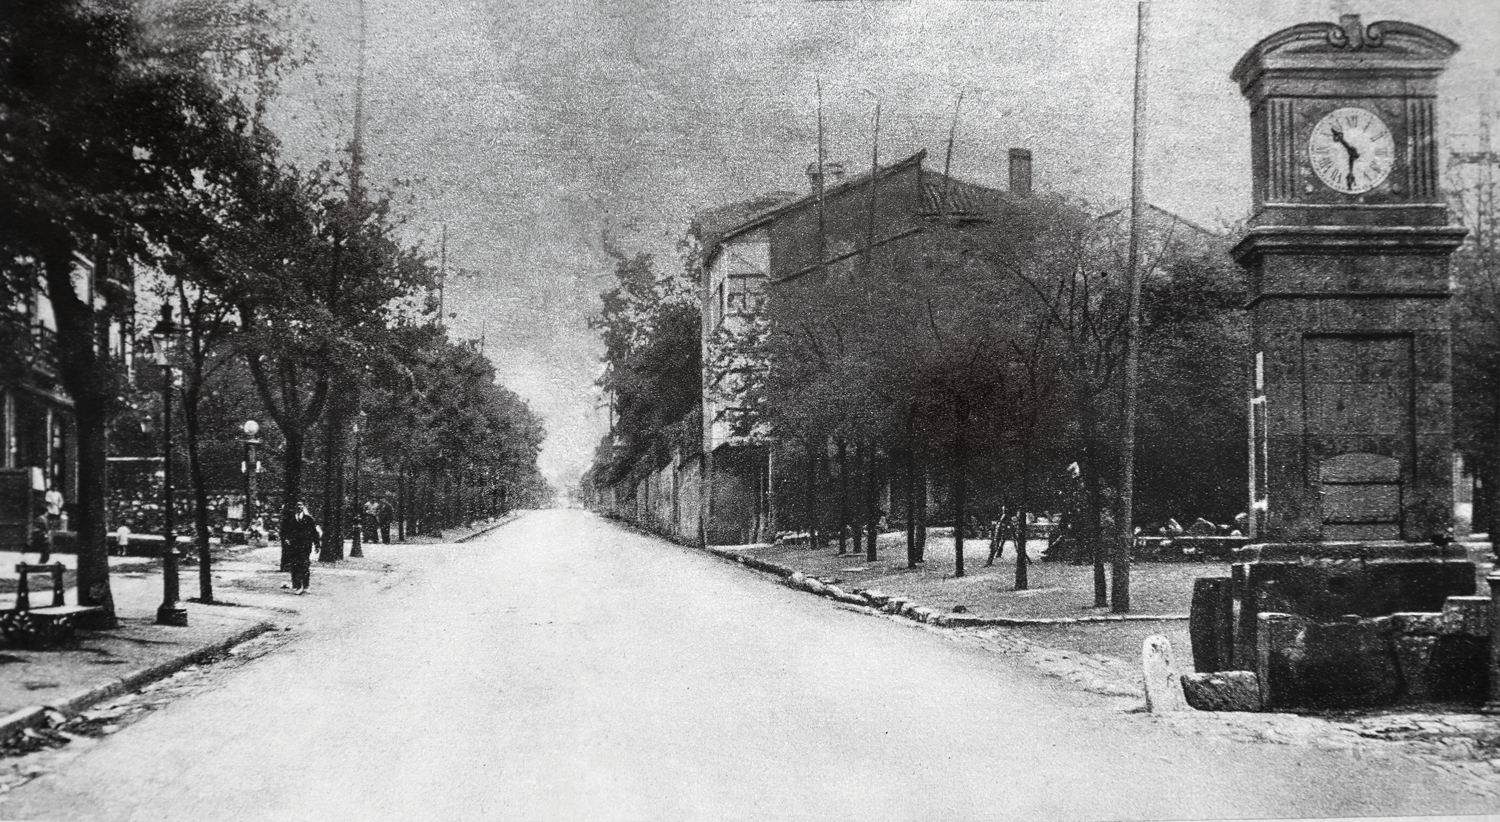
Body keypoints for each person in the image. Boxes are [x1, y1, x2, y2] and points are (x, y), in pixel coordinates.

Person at [280, 501, 321, 594]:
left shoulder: (309, 519)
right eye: (297, 505)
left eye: (301, 505)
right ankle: (297, 586)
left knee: (305, 565)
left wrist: (317, 545)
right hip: (293, 546)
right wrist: (286, 539)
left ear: (303, 507)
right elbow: (284, 531)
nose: (299, 507)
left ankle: (306, 586)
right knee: (295, 565)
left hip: (305, 546)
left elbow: (314, 532)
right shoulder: (290, 519)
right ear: (295, 507)